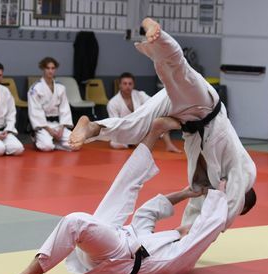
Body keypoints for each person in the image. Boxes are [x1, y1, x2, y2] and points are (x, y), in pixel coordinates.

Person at [0, 117, 229, 274]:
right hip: (116, 241)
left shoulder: (184, 256)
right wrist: (187, 193)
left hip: (121, 260)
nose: (190, 226)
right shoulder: (161, 238)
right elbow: (147, 213)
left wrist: (223, 187)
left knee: (75, 221)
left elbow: (209, 225)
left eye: (193, 227)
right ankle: (154, 132)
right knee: (124, 185)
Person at [69, 18, 257, 229]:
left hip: (183, 118)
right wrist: (219, 229)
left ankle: (93, 127)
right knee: (179, 71)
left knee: (135, 128)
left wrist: (184, 234)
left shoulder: (210, 184)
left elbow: (196, 209)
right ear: (243, 199)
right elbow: (231, 204)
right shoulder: (245, 173)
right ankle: (157, 33)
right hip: (204, 107)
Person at [107, 72, 181, 153]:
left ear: (133, 85)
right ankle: (133, 143)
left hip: (141, 127)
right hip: (125, 130)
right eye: (125, 84)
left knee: (160, 119)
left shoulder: (140, 95)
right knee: (114, 143)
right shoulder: (113, 103)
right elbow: (114, 125)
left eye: (130, 84)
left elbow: (154, 104)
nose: (127, 86)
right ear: (120, 85)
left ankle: (169, 145)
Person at [27, 57, 73, 151]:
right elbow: (35, 111)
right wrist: (49, 130)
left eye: (53, 68)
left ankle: (54, 143)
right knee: (46, 147)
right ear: (43, 69)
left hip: (58, 124)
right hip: (43, 125)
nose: (50, 71)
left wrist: (62, 128)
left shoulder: (60, 87)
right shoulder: (35, 88)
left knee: (75, 144)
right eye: (48, 68)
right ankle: (37, 138)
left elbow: (65, 109)